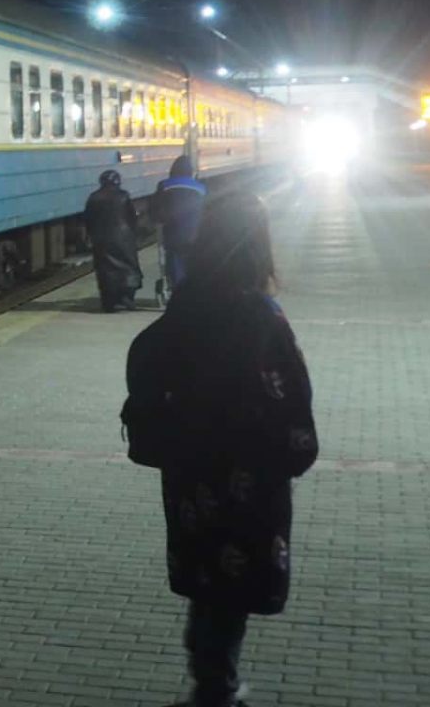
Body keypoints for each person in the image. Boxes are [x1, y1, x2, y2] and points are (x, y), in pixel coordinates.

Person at [122, 193, 318, 707]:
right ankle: (216, 690)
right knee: (231, 589)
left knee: (209, 587)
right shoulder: (260, 315)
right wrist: (292, 454)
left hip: (191, 476)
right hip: (247, 478)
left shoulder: (186, 304)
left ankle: (211, 681)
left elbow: (149, 370)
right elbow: (291, 399)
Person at [84, 168, 145, 311]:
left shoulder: (93, 197)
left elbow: (88, 219)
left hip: (101, 240)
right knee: (128, 266)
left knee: (105, 269)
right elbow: (132, 217)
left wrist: (90, 236)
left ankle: (108, 301)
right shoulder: (124, 196)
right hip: (124, 239)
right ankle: (127, 297)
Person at [154, 154, 207, 291]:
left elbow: (157, 209)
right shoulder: (201, 188)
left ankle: (177, 287)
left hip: (173, 233)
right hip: (194, 233)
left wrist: (158, 220)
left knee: (174, 259)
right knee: (192, 259)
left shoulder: (164, 186)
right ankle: (192, 286)